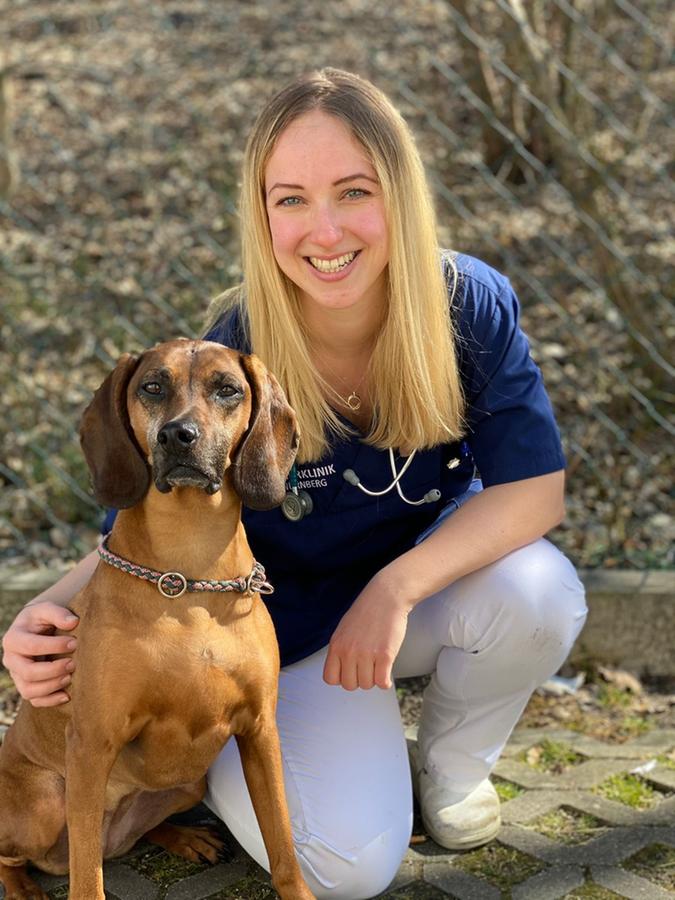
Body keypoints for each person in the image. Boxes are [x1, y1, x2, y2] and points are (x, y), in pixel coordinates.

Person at [2, 68, 587, 899]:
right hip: (289, 643)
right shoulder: (230, 358)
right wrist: (46, 616)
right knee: (345, 870)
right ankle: (349, 753)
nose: (324, 230)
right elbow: (144, 526)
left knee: (540, 593)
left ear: (400, 195)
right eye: (291, 200)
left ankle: (451, 770)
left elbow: (535, 492)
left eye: (354, 191)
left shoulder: (467, 306)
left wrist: (392, 590)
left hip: (406, 608)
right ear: (261, 213)